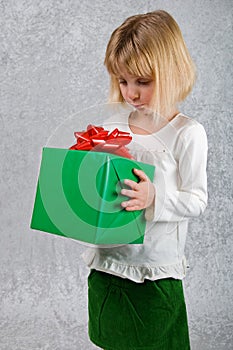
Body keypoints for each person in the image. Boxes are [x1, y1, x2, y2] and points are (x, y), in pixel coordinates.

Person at [82, 10, 208, 350]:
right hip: (109, 261)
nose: (131, 93)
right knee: (111, 340)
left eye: (143, 81)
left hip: (154, 268)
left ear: (170, 72)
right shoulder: (115, 125)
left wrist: (155, 197)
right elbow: (103, 186)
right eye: (123, 81)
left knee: (158, 341)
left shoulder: (187, 133)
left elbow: (197, 200)